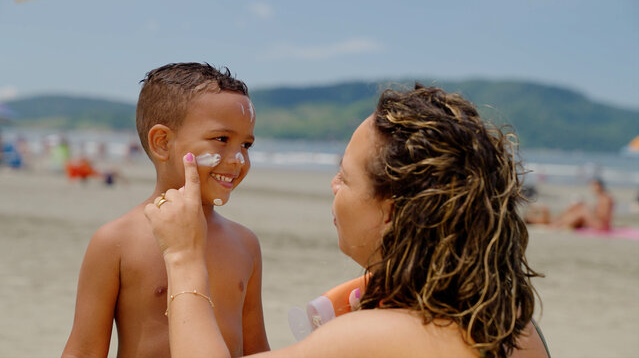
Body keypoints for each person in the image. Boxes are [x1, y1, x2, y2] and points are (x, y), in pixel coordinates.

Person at [145, 85, 550, 357]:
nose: (333, 185)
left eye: (345, 176)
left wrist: (183, 257)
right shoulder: (515, 325)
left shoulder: (376, 336)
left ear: (391, 210)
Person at [62, 63, 269, 357]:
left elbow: (256, 349)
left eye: (246, 144)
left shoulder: (246, 244)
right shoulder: (116, 241)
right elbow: (83, 350)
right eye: (222, 139)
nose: (237, 159)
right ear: (162, 143)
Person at [526, 178, 614, 231]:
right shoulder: (603, 197)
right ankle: (558, 222)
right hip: (599, 223)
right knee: (578, 207)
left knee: (582, 209)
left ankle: (557, 223)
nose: (592, 188)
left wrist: (590, 212)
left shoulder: (605, 198)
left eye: (594, 186)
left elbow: (603, 217)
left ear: (599, 186)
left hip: (601, 225)